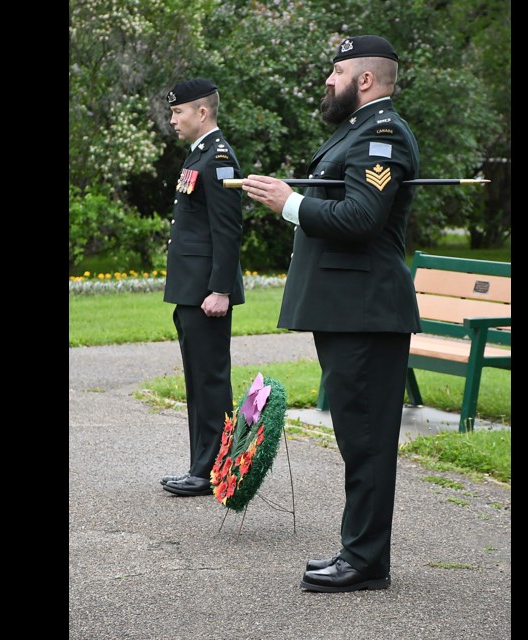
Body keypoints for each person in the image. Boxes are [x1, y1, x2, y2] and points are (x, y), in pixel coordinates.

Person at [241, 36, 421, 592]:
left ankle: (365, 562)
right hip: (350, 310)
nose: (327, 80)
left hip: (366, 311)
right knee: (355, 435)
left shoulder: (383, 133)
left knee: (365, 439)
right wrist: (293, 201)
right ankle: (360, 551)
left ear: (364, 79)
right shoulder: (357, 130)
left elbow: (362, 217)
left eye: (336, 71)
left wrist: (289, 203)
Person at [160, 78, 245, 497]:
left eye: (178, 112)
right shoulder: (199, 155)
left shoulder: (219, 158)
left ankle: (211, 469)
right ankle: (203, 465)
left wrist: (221, 290)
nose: (173, 119)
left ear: (202, 112)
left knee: (210, 380)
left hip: (207, 293)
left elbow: (227, 232)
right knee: (198, 379)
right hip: (191, 289)